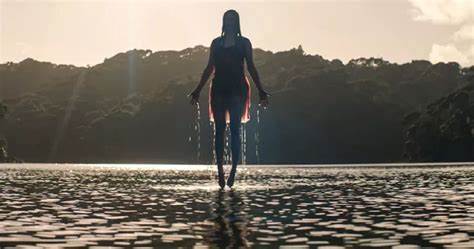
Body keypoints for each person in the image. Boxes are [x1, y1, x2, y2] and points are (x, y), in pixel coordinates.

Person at [188, 9, 269, 189]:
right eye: (227, 19)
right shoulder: (216, 43)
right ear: (224, 22)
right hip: (218, 88)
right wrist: (197, 90)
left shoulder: (244, 43)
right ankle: (219, 171)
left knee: (234, 129)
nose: (230, 22)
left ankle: (233, 169)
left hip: (238, 89)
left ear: (237, 22)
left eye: (233, 19)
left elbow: (252, 68)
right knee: (219, 130)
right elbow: (209, 68)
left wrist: (261, 91)